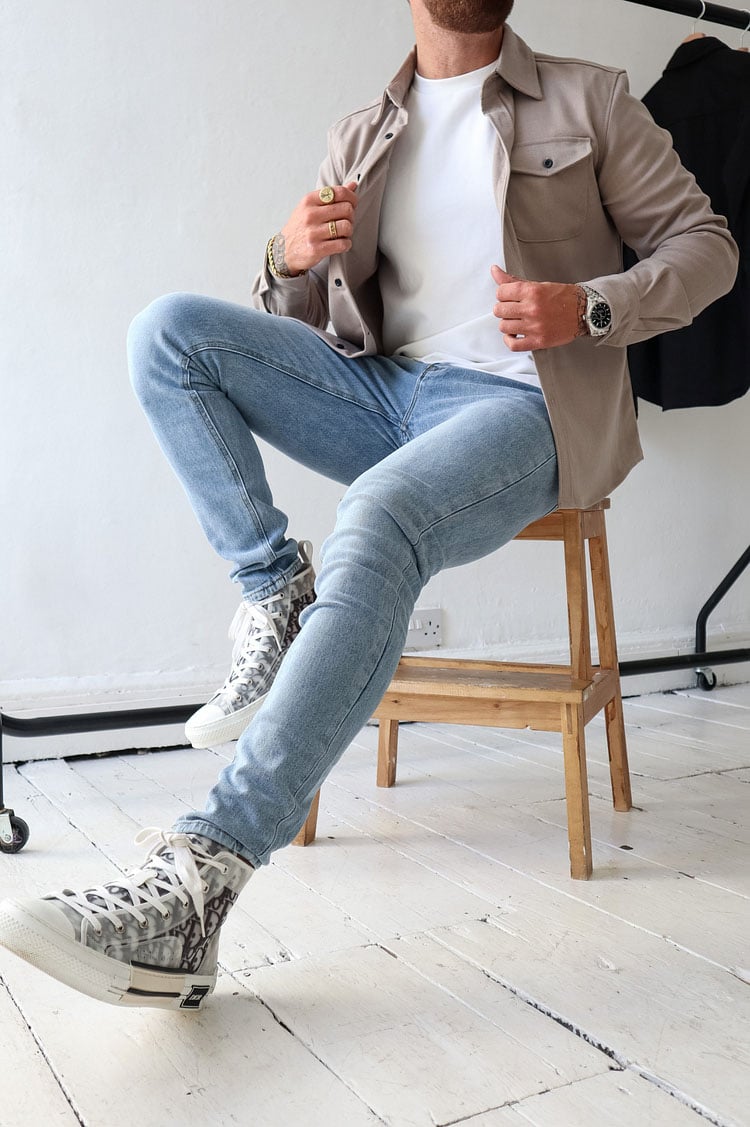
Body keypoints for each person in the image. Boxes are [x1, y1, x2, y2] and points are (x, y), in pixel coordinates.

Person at [0, 0, 737, 1010]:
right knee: (167, 333)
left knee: (379, 513)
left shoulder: (591, 99)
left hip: (525, 405)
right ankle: (276, 587)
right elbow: (308, 317)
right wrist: (285, 258)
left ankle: (199, 879)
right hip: (384, 392)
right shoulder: (362, 134)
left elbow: (708, 247)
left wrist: (591, 303)